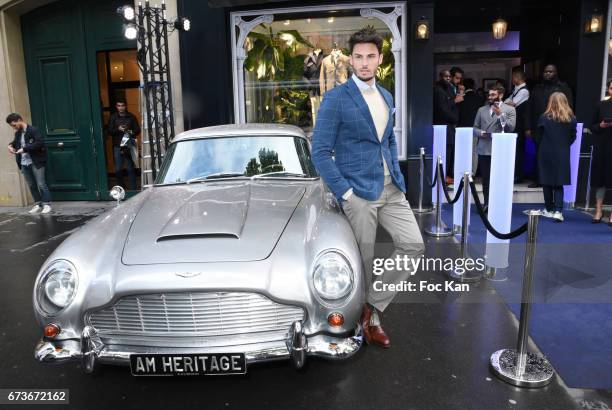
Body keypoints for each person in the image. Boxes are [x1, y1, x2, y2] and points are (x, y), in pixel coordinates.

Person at [312, 27, 425, 348]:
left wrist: (396, 174)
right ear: (351, 59)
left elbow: (387, 137)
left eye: (370, 57)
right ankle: (370, 321)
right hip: (358, 194)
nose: (364, 63)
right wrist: (345, 193)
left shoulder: (386, 96)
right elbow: (319, 151)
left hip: (390, 188)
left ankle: (371, 305)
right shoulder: (336, 99)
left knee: (413, 245)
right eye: (358, 57)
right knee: (363, 262)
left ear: (380, 59)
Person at [527, 64, 573, 188]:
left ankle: (554, 181)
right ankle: (539, 179)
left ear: (556, 73)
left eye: (551, 72)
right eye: (546, 72)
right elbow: (530, 108)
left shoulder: (563, 88)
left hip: (558, 127)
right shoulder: (537, 88)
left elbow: (569, 108)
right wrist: (528, 127)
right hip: (539, 126)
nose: (548, 74)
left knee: (556, 156)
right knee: (539, 154)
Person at [472, 85, 516, 208]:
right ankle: (487, 203)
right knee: (486, 179)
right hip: (484, 149)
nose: (490, 97)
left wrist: (501, 115)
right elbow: (474, 128)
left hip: (501, 150)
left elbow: (511, 128)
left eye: (493, 95)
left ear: (501, 95)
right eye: (489, 95)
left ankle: (499, 205)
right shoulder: (481, 109)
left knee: (500, 179)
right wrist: (481, 133)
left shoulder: (510, 109)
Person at [536, 92, 577, 222]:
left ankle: (548, 209)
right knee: (559, 183)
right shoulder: (572, 119)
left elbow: (538, 136)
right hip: (562, 153)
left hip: (546, 152)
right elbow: (573, 137)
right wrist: (563, 146)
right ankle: (558, 212)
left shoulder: (543, 118)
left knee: (546, 182)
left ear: (550, 102)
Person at [6, 113, 52, 214]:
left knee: (41, 184)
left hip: (36, 161)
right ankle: (38, 204)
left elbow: (40, 143)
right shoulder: (18, 133)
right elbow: (15, 142)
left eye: (14, 125)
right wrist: (10, 146)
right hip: (24, 162)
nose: (14, 127)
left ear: (19, 119)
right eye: (12, 126)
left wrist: (24, 149)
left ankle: (47, 204)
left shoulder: (33, 130)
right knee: (31, 185)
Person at [589, 81, 612, 225]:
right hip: (603, 146)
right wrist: (601, 125)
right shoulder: (601, 105)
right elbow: (592, 125)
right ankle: (598, 210)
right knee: (600, 180)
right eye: (611, 87)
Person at [433, 69, 461, 183]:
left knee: (449, 151)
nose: (448, 78)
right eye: (446, 76)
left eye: (449, 76)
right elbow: (442, 109)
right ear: (440, 77)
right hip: (443, 127)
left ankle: (445, 175)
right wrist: (455, 101)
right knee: (445, 151)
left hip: (449, 126)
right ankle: (443, 176)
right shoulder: (438, 90)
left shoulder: (448, 88)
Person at [107, 99, 140, 190]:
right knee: (118, 169)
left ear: (126, 106)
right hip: (117, 146)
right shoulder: (113, 117)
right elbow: (109, 131)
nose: (121, 108)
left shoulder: (131, 117)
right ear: (116, 107)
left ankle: (133, 189)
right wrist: (118, 129)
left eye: (122, 105)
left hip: (129, 145)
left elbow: (137, 130)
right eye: (119, 106)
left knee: (130, 168)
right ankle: (122, 189)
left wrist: (129, 131)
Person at [505, 70, 530, 183]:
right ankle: (514, 174)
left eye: (513, 77)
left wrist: (505, 104)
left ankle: (519, 176)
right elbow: (507, 101)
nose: (512, 79)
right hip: (515, 124)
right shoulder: (516, 90)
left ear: (517, 77)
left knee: (518, 150)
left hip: (520, 125)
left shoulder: (524, 91)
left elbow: (512, 103)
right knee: (514, 150)